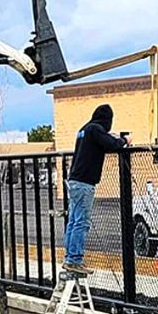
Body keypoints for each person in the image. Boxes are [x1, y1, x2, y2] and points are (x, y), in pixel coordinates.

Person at [61, 103, 127, 279]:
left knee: (73, 221)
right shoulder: (96, 130)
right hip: (84, 182)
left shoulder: (84, 130)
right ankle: (75, 260)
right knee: (81, 221)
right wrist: (124, 141)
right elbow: (113, 144)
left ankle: (69, 257)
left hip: (74, 180)